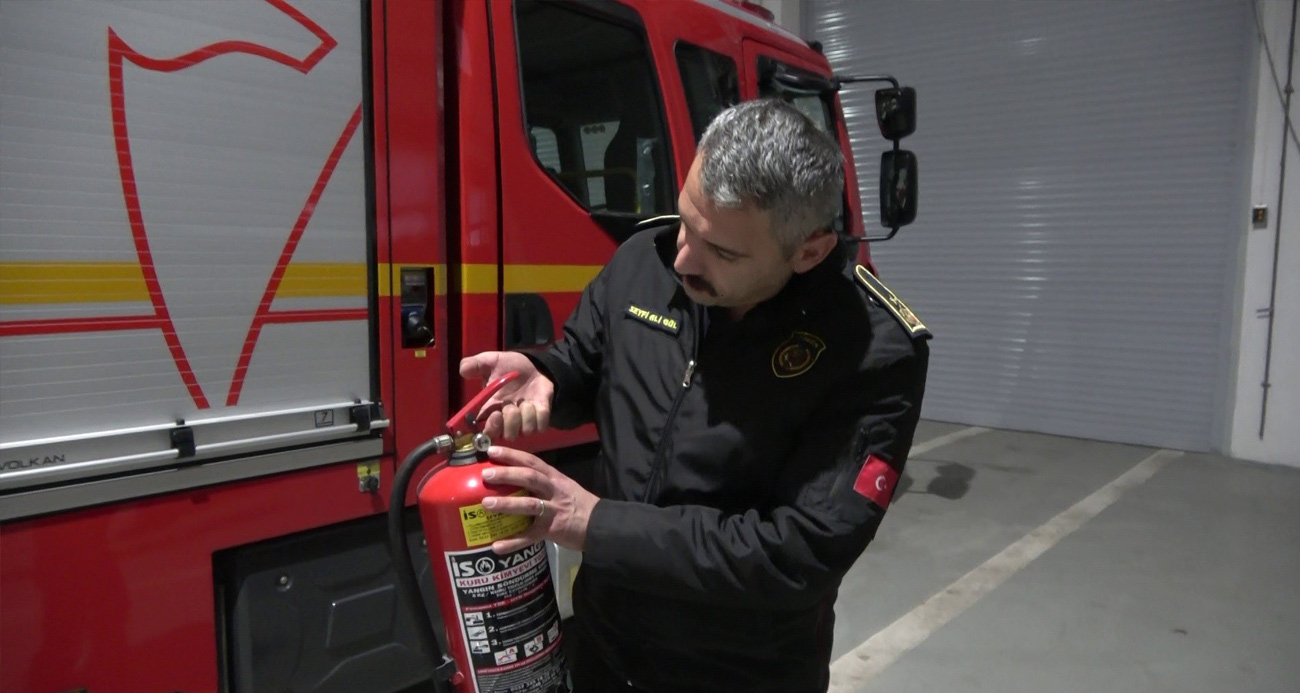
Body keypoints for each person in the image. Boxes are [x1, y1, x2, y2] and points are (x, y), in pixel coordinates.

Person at [460, 99, 930, 693]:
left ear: (809, 250)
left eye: (723, 253)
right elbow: (585, 359)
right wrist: (544, 375)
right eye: (685, 220)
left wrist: (596, 523)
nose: (682, 257)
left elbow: (795, 555)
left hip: (734, 673)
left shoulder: (872, 354)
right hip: (605, 652)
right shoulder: (644, 262)